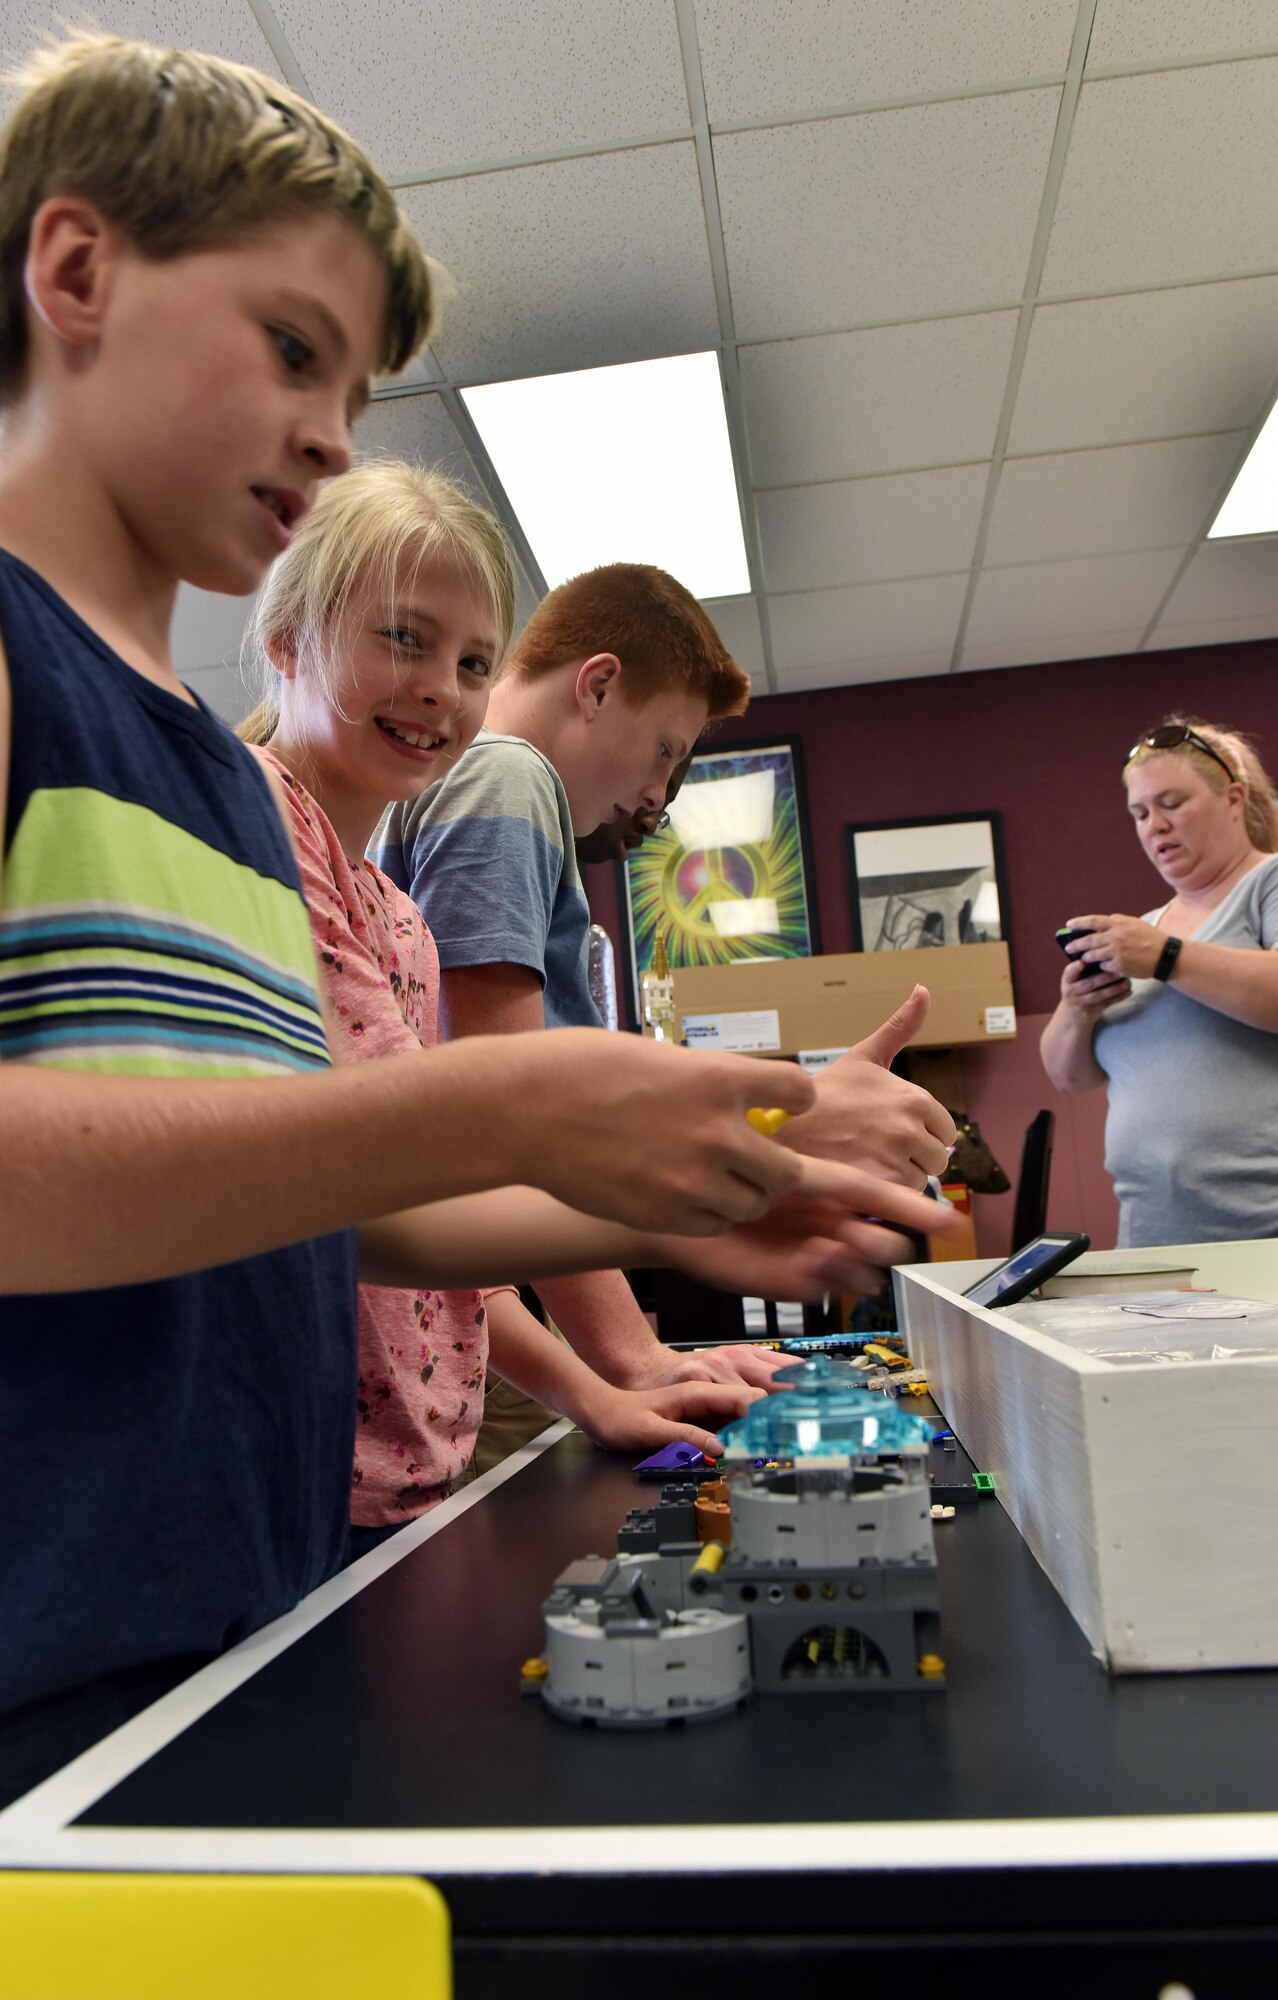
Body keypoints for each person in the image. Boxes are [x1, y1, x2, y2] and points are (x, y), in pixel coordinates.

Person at [0, 34, 943, 1800]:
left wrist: (693, 1197)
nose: (325, 433)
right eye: (293, 348)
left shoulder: (212, 782)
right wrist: (509, 1102)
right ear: (76, 273)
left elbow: (312, 1204)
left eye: (350, 387)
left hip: (236, 1609)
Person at [240, 460, 871, 1551]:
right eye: (403, 639)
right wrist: (743, 1172)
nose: (442, 685)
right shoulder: (259, 827)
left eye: (473, 659)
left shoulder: (390, 909)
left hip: (406, 1451)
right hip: (299, 1464)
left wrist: (598, 1389)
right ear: (290, 639)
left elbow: (441, 1199)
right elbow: (411, 1175)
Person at [373, 569, 957, 1461]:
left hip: (466, 1300)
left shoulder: (480, 788)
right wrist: (632, 1355)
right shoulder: (506, 775)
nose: (658, 796)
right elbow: (517, 1114)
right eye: (664, 751)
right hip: (454, 1329)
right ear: (598, 685)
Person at [1040, 717, 1278, 1248]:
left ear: (1234, 799)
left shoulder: (1267, 883)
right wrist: (1076, 1010)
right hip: (1152, 1236)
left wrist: (1167, 957)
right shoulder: (1144, 931)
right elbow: (1069, 1078)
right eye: (1141, 813)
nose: (1155, 825)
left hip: (1265, 1235)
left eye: (1172, 803)